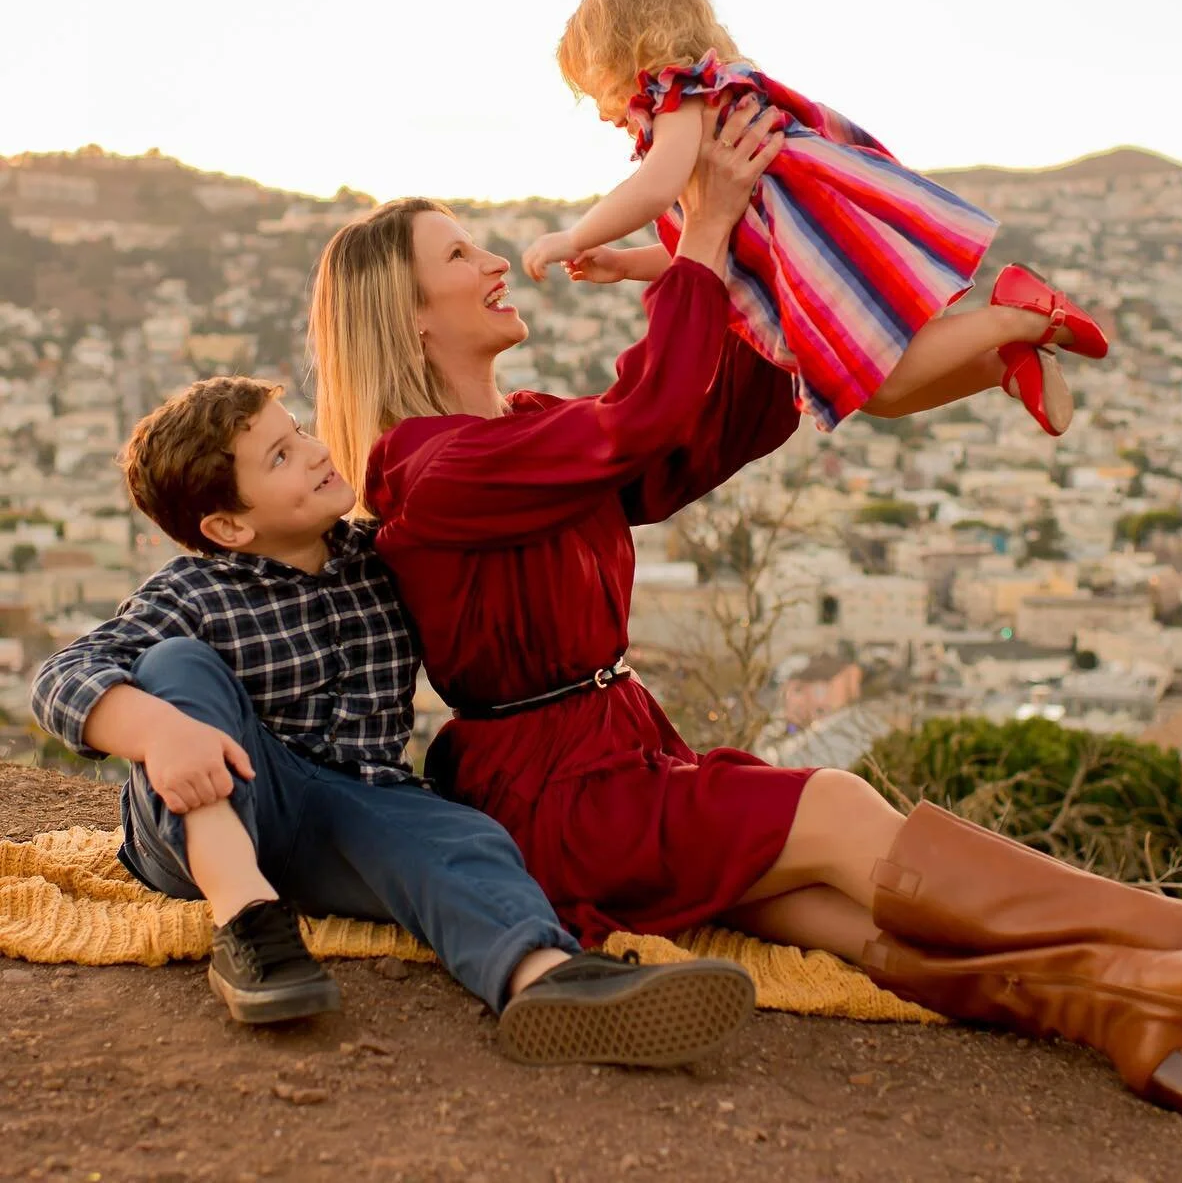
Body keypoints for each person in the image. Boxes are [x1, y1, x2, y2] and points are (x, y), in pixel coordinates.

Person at [309, 102, 1182, 1120]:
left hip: (614, 757)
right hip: (555, 796)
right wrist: (705, 235)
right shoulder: (433, 467)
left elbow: (691, 438)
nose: (495, 260)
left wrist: (749, 286)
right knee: (836, 810)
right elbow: (644, 417)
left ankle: (1138, 1009)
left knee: (841, 913)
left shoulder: (522, 429)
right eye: (457, 256)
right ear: (404, 313)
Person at [29, 376, 756, 1068]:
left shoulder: (378, 558)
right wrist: (159, 733)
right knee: (178, 664)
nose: (315, 449)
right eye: (280, 455)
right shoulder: (194, 588)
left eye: (301, 431)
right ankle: (248, 921)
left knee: (461, 837)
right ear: (227, 525)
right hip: (218, 809)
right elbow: (63, 675)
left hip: (354, 806)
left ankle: (551, 981)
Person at [520, 0, 1104, 439]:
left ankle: (1021, 317)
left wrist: (576, 234)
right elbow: (711, 244)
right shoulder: (700, 107)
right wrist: (624, 265)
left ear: (630, 55)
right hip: (804, 250)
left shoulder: (682, 96)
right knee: (876, 398)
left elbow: (654, 188)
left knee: (886, 382)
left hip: (818, 248)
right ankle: (1002, 361)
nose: (602, 112)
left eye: (599, 89)